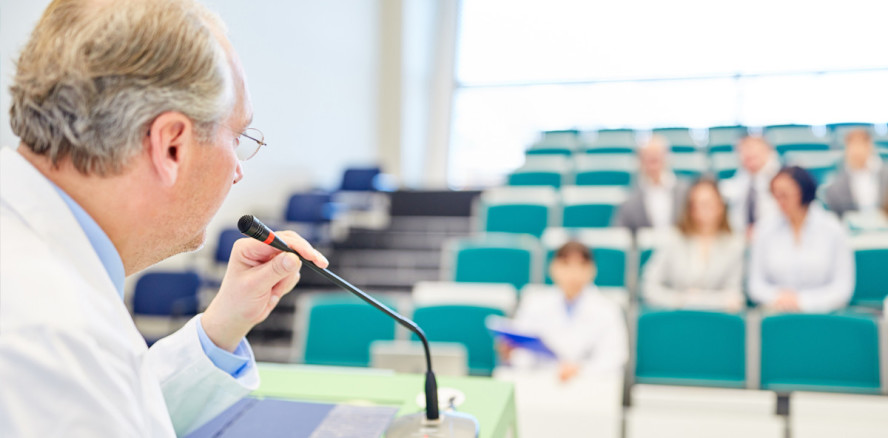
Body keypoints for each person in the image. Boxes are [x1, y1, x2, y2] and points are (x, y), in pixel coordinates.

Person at [0, 0, 328, 436]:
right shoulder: (53, 336)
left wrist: (224, 324)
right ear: (172, 145)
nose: (238, 169)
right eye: (238, 137)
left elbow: (121, 408)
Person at [497, 241, 628, 382]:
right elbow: (524, 354)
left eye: (581, 265)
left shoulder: (608, 310)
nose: (573, 272)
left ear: (592, 270)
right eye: (566, 264)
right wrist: (511, 354)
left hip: (589, 386)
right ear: (553, 268)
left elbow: (615, 356)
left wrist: (580, 369)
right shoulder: (534, 304)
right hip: (541, 384)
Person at [748, 166, 854, 313]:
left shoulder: (832, 229)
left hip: (824, 315)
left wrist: (803, 301)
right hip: (776, 313)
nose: (780, 201)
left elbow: (842, 288)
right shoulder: (764, 229)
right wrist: (778, 297)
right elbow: (755, 285)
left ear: (803, 191)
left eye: (785, 195)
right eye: (776, 195)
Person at [642, 178, 745, 311]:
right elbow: (649, 287)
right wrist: (679, 300)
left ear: (720, 206)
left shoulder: (734, 244)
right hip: (677, 317)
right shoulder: (673, 239)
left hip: (717, 321)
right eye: (697, 204)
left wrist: (697, 300)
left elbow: (734, 297)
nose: (703, 210)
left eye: (708, 203)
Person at [614, 135, 689, 233]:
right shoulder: (629, 199)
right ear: (640, 161)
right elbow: (620, 233)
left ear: (668, 157)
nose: (653, 164)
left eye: (657, 157)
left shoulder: (687, 192)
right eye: (648, 158)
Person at [719, 135, 781, 235]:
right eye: (742, 150)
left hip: (773, 237)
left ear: (767, 151)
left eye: (752, 148)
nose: (747, 153)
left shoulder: (781, 179)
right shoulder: (739, 178)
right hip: (740, 238)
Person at [824, 129, 888, 217]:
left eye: (861, 144)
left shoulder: (884, 174)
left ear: (870, 146)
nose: (857, 150)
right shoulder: (836, 187)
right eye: (853, 145)